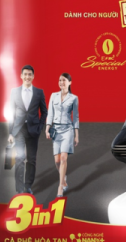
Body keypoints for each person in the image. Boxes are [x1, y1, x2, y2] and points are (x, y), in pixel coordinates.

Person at [7, 65, 47, 195]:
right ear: (21, 76)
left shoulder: (39, 92)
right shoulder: (14, 92)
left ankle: (28, 186)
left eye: (30, 74)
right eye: (25, 74)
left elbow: (44, 112)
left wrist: (40, 127)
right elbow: (11, 113)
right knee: (19, 158)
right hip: (19, 130)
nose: (27, 77)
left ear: (33, 76)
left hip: (33, 130)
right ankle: (19, 189)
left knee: (31, 159)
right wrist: (10, 132)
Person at [46, 73, 79, 197]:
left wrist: (76, 135)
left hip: (67, 130)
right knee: (57, 161)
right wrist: (47, 128)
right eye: (60, 80)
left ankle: (60, 186)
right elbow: (50, 113)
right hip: (56, 130)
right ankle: (63, 179)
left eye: (64, 80)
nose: (61, 82)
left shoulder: (74, 98)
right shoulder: (53, 96)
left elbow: (75, 117)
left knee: (64, 158)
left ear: (70, 82)